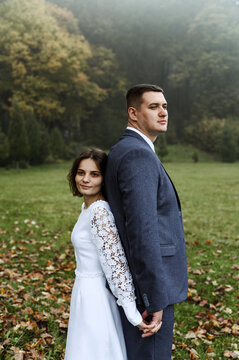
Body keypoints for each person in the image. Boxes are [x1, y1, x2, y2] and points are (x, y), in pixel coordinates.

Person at [105, 84, 188, 360]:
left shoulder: (128, 148)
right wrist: (154, 297)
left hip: (141, 283)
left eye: (164, 106)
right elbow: (142, 230)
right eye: (153, 107)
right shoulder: (137, 154)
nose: (163, 112)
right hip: (148, 289)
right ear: (133, 113)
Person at [64, 148, 155, 360]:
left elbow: (116, 266)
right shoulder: (87, 207)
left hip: (94, 297)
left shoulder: (99, 212)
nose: (85, 179)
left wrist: (133, 314)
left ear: (104, 179)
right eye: (81, 172)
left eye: (94, 174)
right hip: (83, 291)